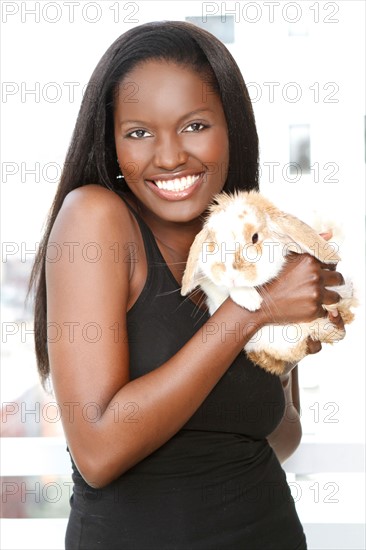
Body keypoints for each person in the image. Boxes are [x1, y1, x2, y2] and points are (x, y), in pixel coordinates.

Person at [29, 21, 344, 549]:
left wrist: (284, 349)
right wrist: (253, 312)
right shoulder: (96, 219)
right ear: (111, 143)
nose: (170, 156)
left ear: (232, 128)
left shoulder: (247, 244)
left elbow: (280, 439)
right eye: (138, 132)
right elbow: (98, 453)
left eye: (195, 125)